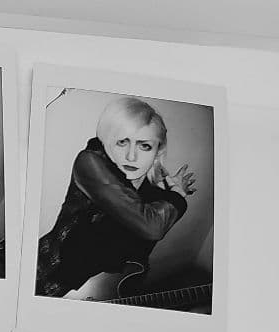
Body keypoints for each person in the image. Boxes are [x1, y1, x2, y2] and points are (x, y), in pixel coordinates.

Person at [36, 96, 196, 298]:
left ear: (157, 151)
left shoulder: (150, 186)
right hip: (49, 267)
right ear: (107, 138)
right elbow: (152, 226)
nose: (131, 156)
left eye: (145, 146)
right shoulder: (90, 161)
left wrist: (165, 191)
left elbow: (139, 238)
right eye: (122, 142)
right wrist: (176, 196)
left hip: (87, 280)